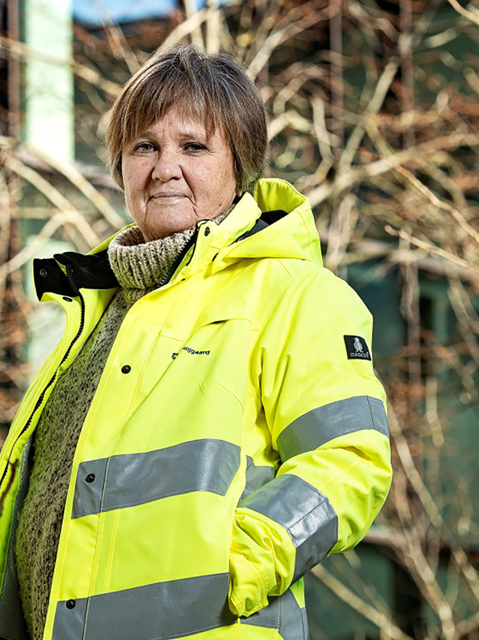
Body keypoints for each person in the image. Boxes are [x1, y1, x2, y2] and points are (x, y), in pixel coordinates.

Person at [0, 44, 392, 640]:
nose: (164, 168)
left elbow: (351, 462)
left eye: (193, 146)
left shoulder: (294, 293)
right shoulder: (95, 309)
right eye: (145, 146)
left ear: (241, 165)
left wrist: (233, 569)